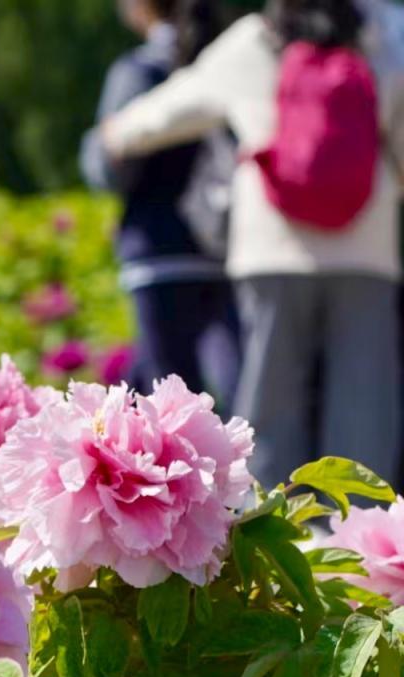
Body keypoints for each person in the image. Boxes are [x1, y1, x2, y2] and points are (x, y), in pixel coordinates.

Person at [104, 0, 404, 487]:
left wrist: (116, 134)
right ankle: (361, 539)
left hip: (272, 249)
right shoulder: (379, 40)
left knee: (270, 398)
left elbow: (177, 104)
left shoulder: (252, 41)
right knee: (365, 398)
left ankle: (269, 532)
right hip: (366, 250)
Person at [83, 0, 242, 406]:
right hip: (225, 247)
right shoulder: (227, 64)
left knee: (166, 397)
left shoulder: (139, 71)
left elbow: (111, 169)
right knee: (235, 387)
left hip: (159, 250)